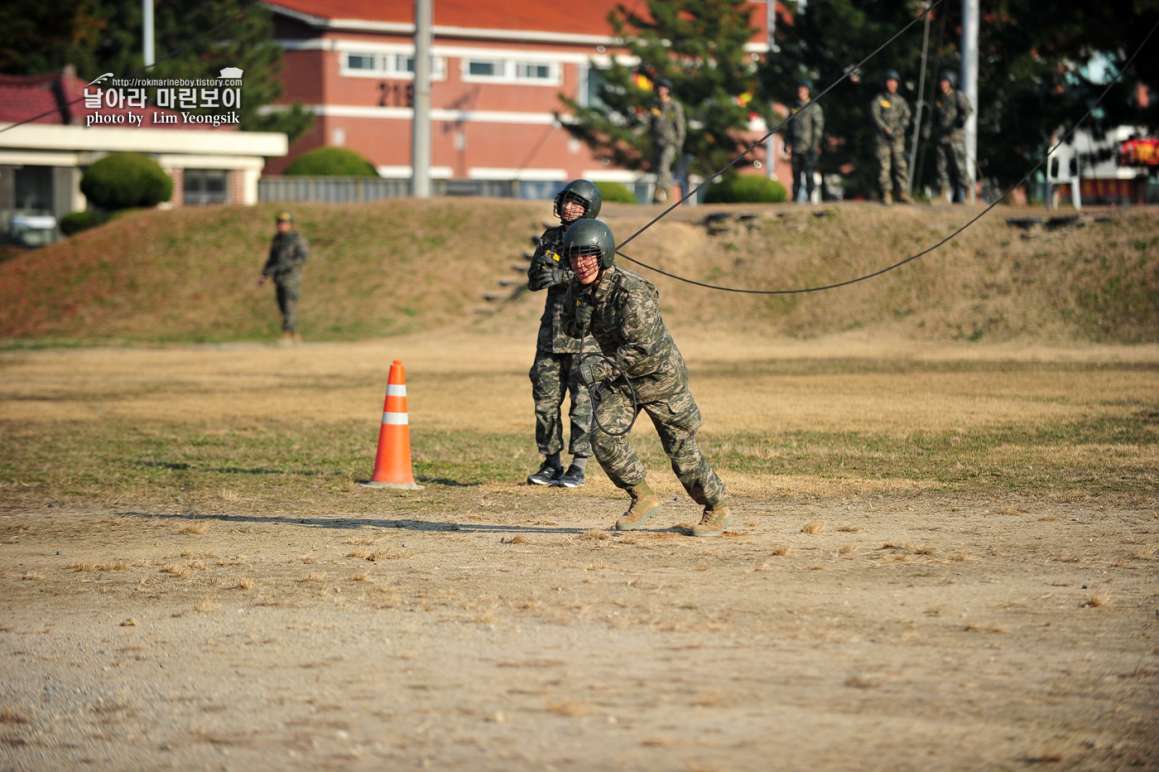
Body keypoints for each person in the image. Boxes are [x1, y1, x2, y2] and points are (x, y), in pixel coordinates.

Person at [560, 219, 730, 537]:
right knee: (603, 439)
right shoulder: (577, 289)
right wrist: (578, 315)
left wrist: (598, 370)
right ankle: (642, 496)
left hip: (659, 378)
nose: (580, 263)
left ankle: (717, 506)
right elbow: (571, 330)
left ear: (603, 254)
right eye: (574, 256)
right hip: (622, 381)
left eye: (587, 255)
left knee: (681, 451)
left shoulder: (631, 292)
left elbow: (642, 351)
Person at [525, 180, 599, 487]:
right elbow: (533, 279)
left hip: (583, 336)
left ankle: (578, 465)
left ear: (589, 208)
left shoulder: (596, 237)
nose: (569, 207)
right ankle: (550, 462)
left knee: (582, 404)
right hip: (550, 336)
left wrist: (563, 275)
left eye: (577, 203)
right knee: (545, 402)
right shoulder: (550, 237)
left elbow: (596, 277)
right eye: (567, 201)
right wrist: (545, 272)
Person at [258, 211, 309, 342]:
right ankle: (294, 333)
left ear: (290, 225)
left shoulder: (297, 239)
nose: (282, 225)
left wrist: (288, 265)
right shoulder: (277, 240)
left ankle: (287, 333)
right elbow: (271, 259)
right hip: (278, 278)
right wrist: (264, 274)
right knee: (282, 305)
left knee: (289, 305)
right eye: (280, 223)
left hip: (291, 277)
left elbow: (303, 257)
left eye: (285, 223)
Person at [929, 70, 973, 203]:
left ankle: (967, 192)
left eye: (946, 82)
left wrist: (961, 119)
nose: (943, 84)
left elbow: (968, 110)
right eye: (942, 82)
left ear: (951, 83)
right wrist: (928, 128)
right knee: (941, 166)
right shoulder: (939, 99)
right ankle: (943, 194)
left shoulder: (957, 96)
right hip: (942, 137)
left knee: (959, 166)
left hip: (955, 137)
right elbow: (933, 117)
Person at [871, 69, 913, 205]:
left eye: (894, 82)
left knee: (901, 165)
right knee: (884, 166)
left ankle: (903, 192)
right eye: (889, 81)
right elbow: (875, 115)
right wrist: (885, 128)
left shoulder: (901, 101)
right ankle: (886, 193)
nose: (892, 84)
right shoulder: (879, 99)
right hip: (883, 139)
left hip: (898, 139)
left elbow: (907, 117)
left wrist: (899, 129)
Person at [785, 79, 824, 203]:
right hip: (796, 147)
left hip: (808, 147)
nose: (801, 92)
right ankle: (795, 198)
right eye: (800, 89)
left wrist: (814, 145)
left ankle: (809, 198)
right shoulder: (793, 108)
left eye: (804, 89)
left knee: (808, 174)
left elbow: (818, 128)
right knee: (795, 175)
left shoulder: (814, 108)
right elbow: (788, 127)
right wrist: (787, 143)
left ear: (808, 91)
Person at [649, 79, 686, 204]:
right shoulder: (655, 104)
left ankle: (659, 193)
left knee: (664, 166)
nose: (661, 90)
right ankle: (667, 196)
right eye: (659, 87)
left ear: (668, 90)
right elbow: (651, 123)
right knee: (660, 168)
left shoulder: (674, 105)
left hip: (670, 142)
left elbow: (680, 124)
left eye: (663, 87)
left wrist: (679, 142)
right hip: (657, 142)